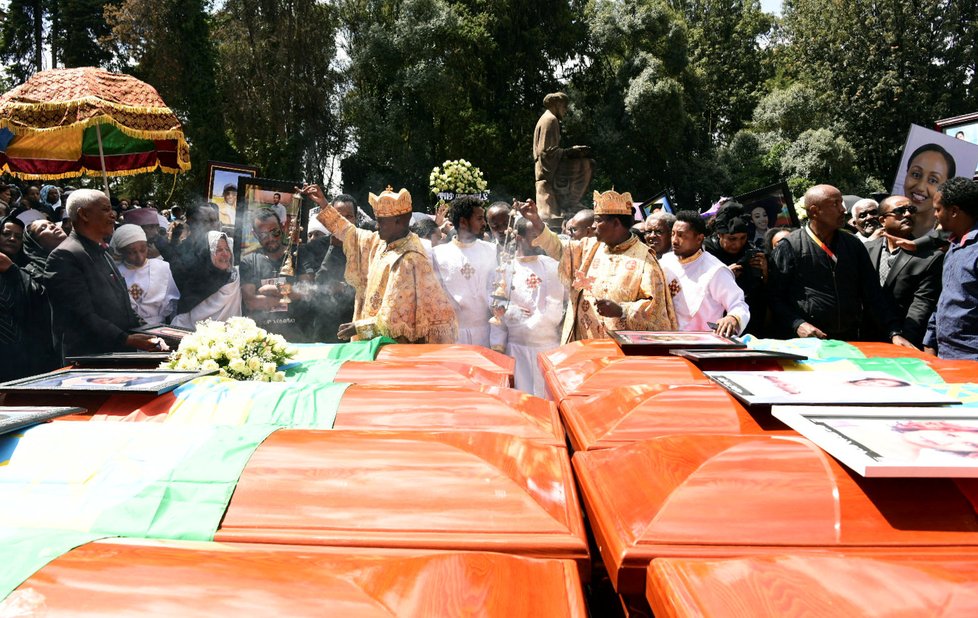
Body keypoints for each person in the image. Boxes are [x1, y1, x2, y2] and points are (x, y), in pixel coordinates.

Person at [302, 184, 457, 343]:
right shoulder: (381, 241)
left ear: (399, 221)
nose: (376, 226)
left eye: (381, 222)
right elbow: (350, 232)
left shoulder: (409, 259)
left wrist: (359, 328)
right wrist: (323, 204)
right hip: (376, 342)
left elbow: (398, 316)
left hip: (396, 346)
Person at [519, 189, 677, 343]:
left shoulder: (645, 260)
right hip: (585, 344)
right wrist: (536, 221)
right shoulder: (589, 246)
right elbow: (560, 249)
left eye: (598, 220)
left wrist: (622, 310)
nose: (593, 226)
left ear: (615, 223)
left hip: (620, 351)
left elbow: (656, 310)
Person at [768, 184, 914, 347]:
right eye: (835, 204)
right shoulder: (790, 246)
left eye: (842, 203)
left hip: (850, 340)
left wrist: (893, 332)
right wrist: (797, 324)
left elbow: (873, 294)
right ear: (815, 211)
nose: (843, 209)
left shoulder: (853, 245)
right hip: (807, 343)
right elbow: (774, 297)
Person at [42, 189, 162, 356]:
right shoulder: (64, 256)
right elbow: (81, 316)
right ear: (83, 214)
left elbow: (123, 306)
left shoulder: (103, 252)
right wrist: (126, 339)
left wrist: (154, 331)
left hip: (118, 352)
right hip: (90, 358)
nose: (113, 215)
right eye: (106, 209)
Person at [493, 217, 565, 397]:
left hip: (547, 345)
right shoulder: (505, 267)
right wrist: (513, 313)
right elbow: (496, 303)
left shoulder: (551, 265)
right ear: (518, 237)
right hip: (517, 346)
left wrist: (538, 321)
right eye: (534, 236)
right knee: (520, 398)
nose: (539, 240)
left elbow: (558, 301)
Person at [863, 196, 943, 347]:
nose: (907, 214)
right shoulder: (866, 249)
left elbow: (922, 304)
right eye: (900, 211)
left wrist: (904, 339)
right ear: (882, 221)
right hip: (864, 337)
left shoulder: (930, 257)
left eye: (911, 210)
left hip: (902, 340)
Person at [660, 211, 750, 336]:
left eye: (681, 235)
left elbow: (738, 304)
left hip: (700, 344)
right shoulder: (665, 261)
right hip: (665, 338)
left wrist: (733, 318)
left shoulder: (715, 270)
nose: (674, 240)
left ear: (699, 239)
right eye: (673, 234)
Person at [923, 177, 978, 359]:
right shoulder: (954, 246)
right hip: (945, 354)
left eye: (938, 209)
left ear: (954, 211)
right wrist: (930, 341)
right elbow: (946, 297)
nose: (935, 215)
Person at [432, 196, 497, 347]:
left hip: (486, 334)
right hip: (453, 336)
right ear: (462, 222)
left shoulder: (491, 250)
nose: (484, 224)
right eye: (479, 219)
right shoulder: (438, 254)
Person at [0, 214, 58, 380]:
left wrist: (12, 271)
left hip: (25, 357)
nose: (12, 239)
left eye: (18, 237)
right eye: (6, 234)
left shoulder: (26, 268)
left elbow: (41, 299)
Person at [239, 209, 307, 341]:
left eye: (274, 232)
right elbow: (251, 302)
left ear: (282, 228)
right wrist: (290, 295)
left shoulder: (299, 254)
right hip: (262, 340)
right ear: (255, 234)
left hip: (299, 338)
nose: (270, 239)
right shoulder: (249, 261)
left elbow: (307, 290)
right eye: (263, 235)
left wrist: (275, 290)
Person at [299, 194, 357, 343]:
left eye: (349, 216)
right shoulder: (313, 248)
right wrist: (333, 247)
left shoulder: (367, 245)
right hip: (324, 325)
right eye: (338, 216)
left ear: (356, 219)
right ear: (330, 219)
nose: (343, 221)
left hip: (356, 322)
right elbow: (316, 285)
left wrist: (345, 288)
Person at [704, 202, 767, 335]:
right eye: (732, 239)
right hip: (717, 323)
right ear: (719, 235)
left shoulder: (750, 250)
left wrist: (766, 271)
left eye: (742, 238)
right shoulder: (705, 252)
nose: (737, 244)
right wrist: (723, 275)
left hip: (752, 321)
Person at [533, 92, 591, 220]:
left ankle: (570, 202)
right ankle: (571, 203)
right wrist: (570, 151)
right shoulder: (551, 120)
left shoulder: (547, 118)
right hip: (548, 167)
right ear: (558, 104)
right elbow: (546, 152)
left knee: (584, 162)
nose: (565, 110)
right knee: (588, 165)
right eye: (564, 107)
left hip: (548, 164)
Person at [110, 224, 180, 326]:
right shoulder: (116, 273)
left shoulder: (162, 267)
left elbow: (173, 302)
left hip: (160, 327)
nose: (140, 257)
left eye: (143, 250)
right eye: (132, 252)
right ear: (121, 251)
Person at [171, 232, 242, 328]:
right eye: (218, 250)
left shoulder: (236, 278)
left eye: (227, 249)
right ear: (207, 254)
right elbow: (181, 322)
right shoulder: (195, 284)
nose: (225, 254)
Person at [903, 143, 956, 239]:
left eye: (933, 180)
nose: (920, 187)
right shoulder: (885, 231)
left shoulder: (951, 240)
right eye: (916, 174)